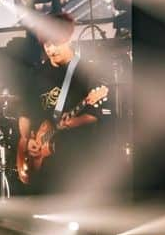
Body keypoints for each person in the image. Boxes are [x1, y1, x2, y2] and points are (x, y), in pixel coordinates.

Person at [15, 12, 108, 194]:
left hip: (74, 158)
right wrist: (27, 141)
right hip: (42, 161)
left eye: (56, 43)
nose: (51, 49)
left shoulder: (85, 72)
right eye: (47, 45)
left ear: (68, 39)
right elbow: (24, 114)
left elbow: (93, 114)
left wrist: (73, 122)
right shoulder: (35, 74)